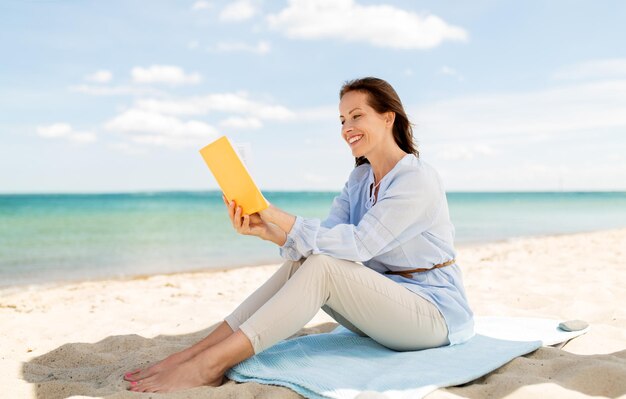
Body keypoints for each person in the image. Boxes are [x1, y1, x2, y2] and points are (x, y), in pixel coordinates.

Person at [124, 77, 474, 393]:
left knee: (322, 267)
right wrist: (269, 231)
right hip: (388, 308)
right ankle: (195, 353)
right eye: (341, 120)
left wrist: (276, 213)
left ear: (388, 117)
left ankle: (212, 363)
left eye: (356, 116)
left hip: (434, 316)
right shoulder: (359, 180)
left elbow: (358, 244)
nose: (346, 127)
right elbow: (325, 239)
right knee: (308, 263)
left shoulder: (416, 179)